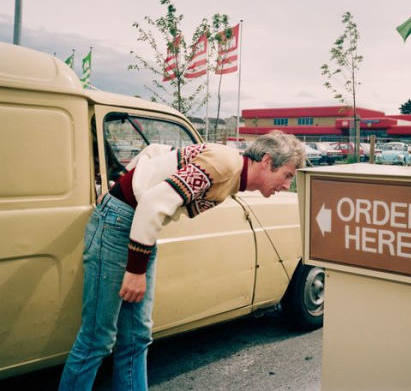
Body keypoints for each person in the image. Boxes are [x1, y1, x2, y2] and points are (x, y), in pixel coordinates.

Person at [59, 131, 305, 391]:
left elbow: (155, 150)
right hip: (121, 225)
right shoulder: (225, 164)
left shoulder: (229, 164)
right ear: (267, 161)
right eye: (287, 175)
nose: (287, 185)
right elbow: (153, 204)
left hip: (135, 226)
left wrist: (119, 186)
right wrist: (135, 269)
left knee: (136, 337)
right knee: (96, 340)